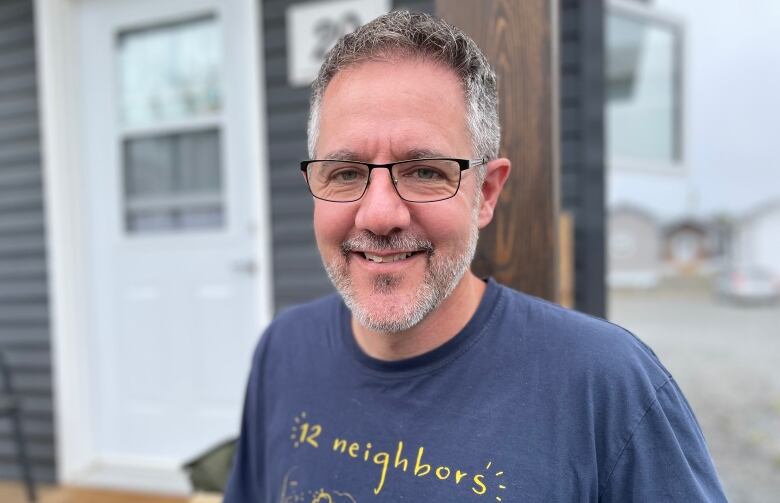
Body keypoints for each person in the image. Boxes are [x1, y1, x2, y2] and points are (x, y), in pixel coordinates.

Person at [224, 11, 727, 502]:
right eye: (346, 173)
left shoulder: (607, 388)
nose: (378, 215)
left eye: (424, 171)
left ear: (484, 194)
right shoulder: (283, 350)